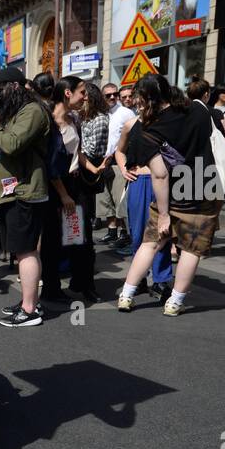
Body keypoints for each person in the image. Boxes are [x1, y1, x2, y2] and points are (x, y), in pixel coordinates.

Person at [116, 72, 220, 316]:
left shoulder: (147, 130)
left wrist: (164, 214)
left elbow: (160, 174)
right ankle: (175, 301)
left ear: (146, 99)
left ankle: (126, 295)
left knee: (151, 242)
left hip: (172, 191)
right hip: (204, 186)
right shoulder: (198, 110)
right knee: (192, 248)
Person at [0, 66, 53, 325]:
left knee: (26, 251)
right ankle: (28, 301)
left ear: (14, 86)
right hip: (14, 191)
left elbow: (11, 143)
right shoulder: (19, 111)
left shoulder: (33, 111)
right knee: (22, 250)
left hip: (25, 191)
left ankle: (29, 310)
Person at [114, 109, 174, 300]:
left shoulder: (168, 123)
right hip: (139, 181)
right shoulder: (131, 125)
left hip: (164, 182)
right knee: (138, 232)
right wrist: (124, 170)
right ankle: (138, 278)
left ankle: (160, 281)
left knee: (162, 231)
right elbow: (119, 151)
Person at [57, 76, 100, 302]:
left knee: (81, 237)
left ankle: (83, 283)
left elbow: (78, 153)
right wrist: (63, 194)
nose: (85, 97)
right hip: (58, 186)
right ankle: (51, 287)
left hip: (75, 185)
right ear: (67, 93)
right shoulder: (50, 121)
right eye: (82, 92)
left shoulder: (74, 118)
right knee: (61, 237)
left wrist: (94, 168)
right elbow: (51, 164)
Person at [100, 82, 135, 244]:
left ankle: (124, 232)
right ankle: (112, 230)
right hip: (102, 161)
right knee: (106, 199)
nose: (112, 97)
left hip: (118, 160)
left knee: (120, 198)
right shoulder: (101, 113)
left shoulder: (125, 113)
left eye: (115, 94)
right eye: (108, 95)